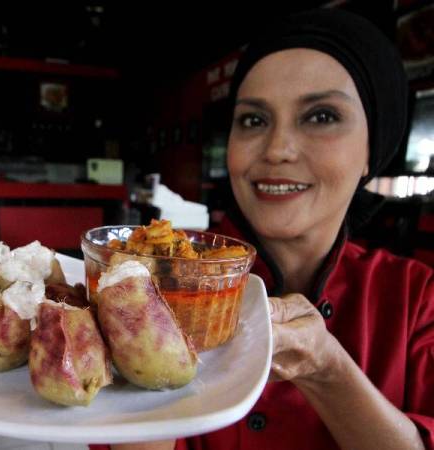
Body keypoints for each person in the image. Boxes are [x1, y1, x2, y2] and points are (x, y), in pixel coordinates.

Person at [90, 8, 434, 450]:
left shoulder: (415, 297)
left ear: (374, 149)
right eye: (254, 120)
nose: (277, 149)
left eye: (322, 116)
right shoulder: (155, 282)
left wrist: (326, 367)